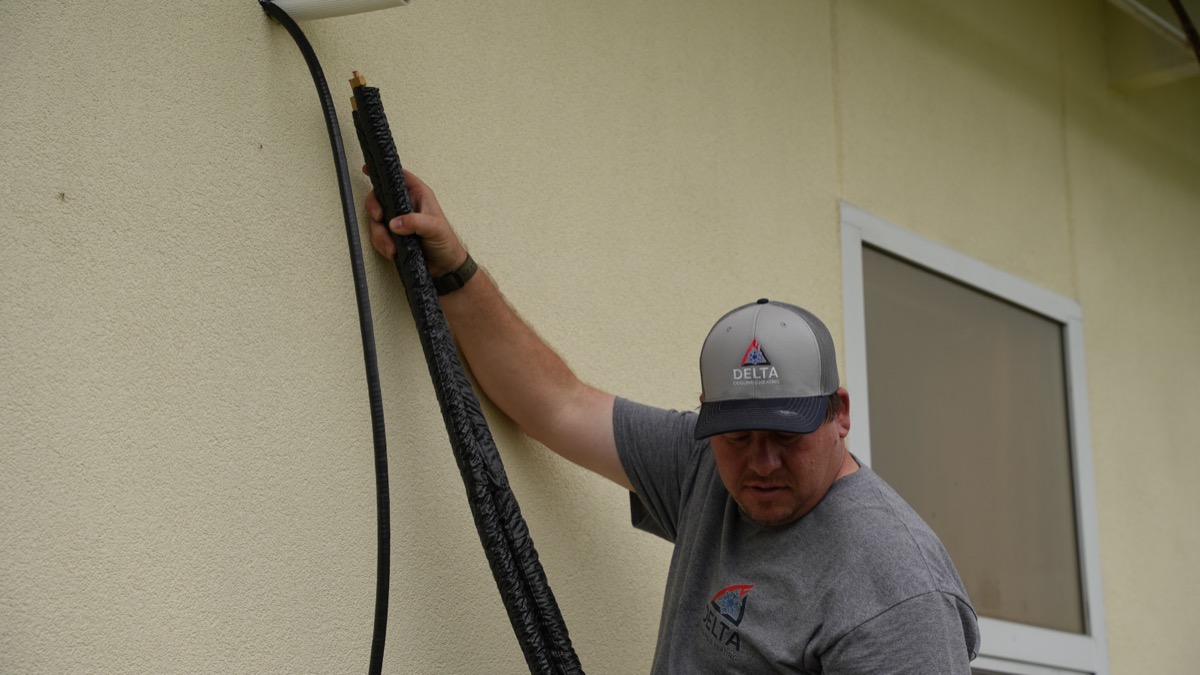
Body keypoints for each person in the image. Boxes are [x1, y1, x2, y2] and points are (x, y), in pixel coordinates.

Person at [364, 170, 981, 673]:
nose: (761, 463)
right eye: (738, 437)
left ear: (838, 414)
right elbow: (557, 404)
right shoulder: (703, 470)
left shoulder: (898, 598)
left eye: (785, 437)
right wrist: (451, 269)